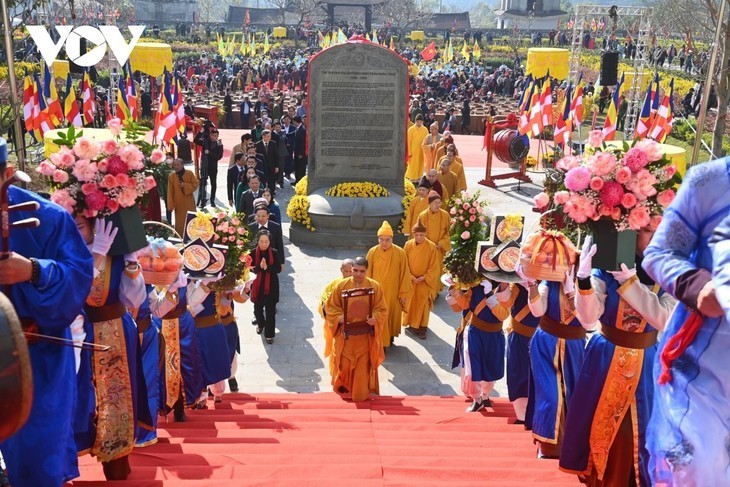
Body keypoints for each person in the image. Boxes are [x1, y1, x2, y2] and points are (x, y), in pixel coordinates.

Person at [0, 138, 94, 487]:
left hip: (35, 354)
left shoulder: (48, 218)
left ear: (7, 174)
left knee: (36, 463)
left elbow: (80, 276)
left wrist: (35, 271)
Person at [561, 231, 676, 486]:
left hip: (646, 362)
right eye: (647, 231)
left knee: (643, 434)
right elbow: (589, 320)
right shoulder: (606, 268)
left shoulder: (669, 271)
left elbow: (665, 320)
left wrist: (631, 283)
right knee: (609, 435)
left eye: (660, 228)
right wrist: (583, 281)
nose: (655, 235)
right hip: (606, 358)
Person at [642, 157, 729, 485]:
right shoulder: (710, 182)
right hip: (698, 376)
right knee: (695, 472)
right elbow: (659, 253)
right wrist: (697, 286)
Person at [74, 218, 150, 480]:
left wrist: (131, 267)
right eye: (71, 223)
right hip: (77, 333)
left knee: (117, 398)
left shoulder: (115, 255)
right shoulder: (64, 253)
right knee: (81, 396)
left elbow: (134, 299)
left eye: (81, 225)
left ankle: (116, 461)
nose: (76, 229)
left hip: (115, 329)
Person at [524, 268, 587, 459]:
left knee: (574, 397)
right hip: (546, 344)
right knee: (549, 395)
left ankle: (573, 445)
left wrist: (573, 291)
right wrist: (532, 284)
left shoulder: (589, 283)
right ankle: (548, 445)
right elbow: (537, 311)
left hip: (576, 346)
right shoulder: (548, 283)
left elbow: (590, 320)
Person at [324, 256, 388, 401]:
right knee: (344, 366)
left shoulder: (374, 286)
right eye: (355, 270)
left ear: (367, 271)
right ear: (351, 269)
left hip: (364, 337)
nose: (358, 274)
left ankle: (360, 396)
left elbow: (382, 309)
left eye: (362, 271)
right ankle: (345, 391)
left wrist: (375, 319)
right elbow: (331, 306)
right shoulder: (341, 286)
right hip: (346, 336)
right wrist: (339, 317)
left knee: (361, 369)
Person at [149, 270, 205, 422]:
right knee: (161, 367)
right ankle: (163, 405)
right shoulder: (148, 276)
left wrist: (207, 283)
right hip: (159, 326)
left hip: (183, 325)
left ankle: (180, 406)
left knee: (185, 365)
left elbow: (192, 301)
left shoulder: (181, 276)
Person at [449, 278, 512, 412]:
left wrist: (489, 294)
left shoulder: (508, 286)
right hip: (475, 333)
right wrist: (454, 287)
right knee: (472, 369)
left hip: (494, 336)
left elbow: (502, 315)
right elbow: (466, 304)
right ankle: (476, 399)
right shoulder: (476, 283)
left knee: (490, 368)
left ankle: (485, 396)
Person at [366, 221, 411, 348]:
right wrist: (367, 291)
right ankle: (379, 343)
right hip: (377, 294)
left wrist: (403, 292)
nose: (384, 243)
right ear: (378, 239)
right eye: (381, 239)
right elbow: (368, 274)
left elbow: (404, 274)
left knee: (391, 317)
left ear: (392, 239)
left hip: (393, 293)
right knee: (378, 316)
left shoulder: (400, 253)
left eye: (387, 240)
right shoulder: (372, 252)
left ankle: (389, 338)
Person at [503, 283, 540, 425]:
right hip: (519, 336)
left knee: (542, 377)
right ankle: (522, 416)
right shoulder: (516, 282)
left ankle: (540, 413)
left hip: (543, 338)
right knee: (518, 375)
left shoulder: (551, 281)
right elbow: (506, 302)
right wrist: (503, 283)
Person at [402, 222, 439, 339]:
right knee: (411, 303)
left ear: (425, 234)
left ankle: (423, 328)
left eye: (421, 235)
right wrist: (411, 277)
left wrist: (425, 277)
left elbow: (434, 266)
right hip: (411, 280)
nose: (419, 237)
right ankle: (413, 326)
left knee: (423, 304)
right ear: (413, 234)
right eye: (417, 235)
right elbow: (404, 264)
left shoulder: (431, 246)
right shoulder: (408, 245)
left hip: (425, 280)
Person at [320, 259, 355, 378]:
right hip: (339, 325)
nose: (349, 274)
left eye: (351, 271)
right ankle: (336, 376)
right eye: (346, 271)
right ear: (341, 270)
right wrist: (337, 316)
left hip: (355, 325)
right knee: (337, 351)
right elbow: (325, 302)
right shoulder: (335, 284)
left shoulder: (360, 284)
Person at [251, 230, 282, 344]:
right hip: (257, 286)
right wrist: (259, 267)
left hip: (271, 286)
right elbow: (250, 269)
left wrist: (267, 267)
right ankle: (260, 324)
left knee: (270, 312)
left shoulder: (274, 252)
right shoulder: (253, 253)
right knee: (257, 310)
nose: (264, 244)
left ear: (269, 242)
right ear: (257, 241)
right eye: (261, 241)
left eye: (266, 241)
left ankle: (269, 334)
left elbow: (278, 269)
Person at [418, 191, 451, 289]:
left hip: (439, 249)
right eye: (435, 203)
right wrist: (427, 244)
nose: (438, 205)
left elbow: (449, 233)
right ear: (429, 204)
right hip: (426, 248)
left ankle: (435, 291)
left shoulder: (445, 215)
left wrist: (442, 243)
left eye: (439, 202)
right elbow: (418, 233)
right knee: (427, 270)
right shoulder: (422, 216)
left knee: (437, 271)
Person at [167, 158, 199, 237]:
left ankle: (192, 235)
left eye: (178, 165)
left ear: (182, 165)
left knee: (191, 219)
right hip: (178, 203)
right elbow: (170, 192)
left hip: (189, 202)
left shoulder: (189, 173)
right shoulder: (171, 176)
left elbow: (195, 185)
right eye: (175, 165)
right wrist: (170, 205)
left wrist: (185, 185)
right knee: (180, 222)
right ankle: (180, 237)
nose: (176, 167)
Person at [195, 127, 224, 207]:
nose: (213, 137)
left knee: (213, 183)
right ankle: (202, 200)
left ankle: (212, 199)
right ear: (210, 135)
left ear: (217, 136)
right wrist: (201, 131)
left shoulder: (219, 145)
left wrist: (209, 153)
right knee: (203, 183)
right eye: (212, 135)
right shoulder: (205, 142)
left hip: (213, 167)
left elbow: (219, 157)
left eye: (215, 136)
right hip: (204, 165)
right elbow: (196, 140)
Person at [255, 129, 280, 196]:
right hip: (262, 167)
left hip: (272, 167)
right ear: (263, 136)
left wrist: (277, 166)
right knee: (263, 182)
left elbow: (276, 156)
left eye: (270, 136)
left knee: (271, 182)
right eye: (267, 136)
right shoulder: (258, 144)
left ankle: (271, 196)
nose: (269, 138)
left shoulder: (273, 144)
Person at [405, 114, 429, 181]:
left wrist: (426, 150)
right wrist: (409, 152)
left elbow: (427, 140)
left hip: (422, 151)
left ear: (422, 122)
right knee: (413, 166)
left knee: (420, 166)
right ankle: (412, 179)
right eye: (418, 121)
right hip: (413, 151)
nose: (419, 123)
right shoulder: (411, 129)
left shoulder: (425, 129)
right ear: (415, 121)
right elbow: (408, 142)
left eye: (420, 122)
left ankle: (419, 179)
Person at [292, 115, 308, 183]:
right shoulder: (298, 128)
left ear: (295, 121)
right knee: (296, 167)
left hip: (300, 153)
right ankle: (297, 180)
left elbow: (302, 143)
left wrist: (301, 153)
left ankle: (301, 182)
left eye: (293, 122)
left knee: (301, 168)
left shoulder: (302, 129)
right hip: (296, 151)